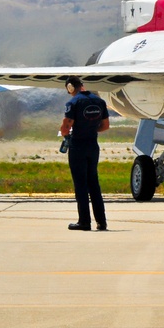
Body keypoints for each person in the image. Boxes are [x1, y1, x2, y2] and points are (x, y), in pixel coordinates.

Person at [60, 76, 111, 231]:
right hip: (92, 145)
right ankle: (101, 221)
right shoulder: (99, 101)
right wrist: (90, 129)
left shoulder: (73, 103)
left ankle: (84, 221)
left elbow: (65, 126)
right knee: (94, 183)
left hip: (78, 146)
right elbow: (105, 126)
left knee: (81, 185)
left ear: (70, 88)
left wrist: (67, 134)